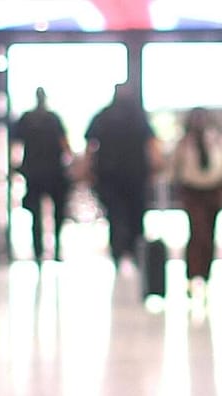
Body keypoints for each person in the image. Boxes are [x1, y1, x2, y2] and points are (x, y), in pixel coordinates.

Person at [170, 107, 222, 296]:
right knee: (197, 231)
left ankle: (206, 277)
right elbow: (174, 168)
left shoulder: (220, 140)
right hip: (192, 192)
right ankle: (193, 276)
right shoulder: (184, 143)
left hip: (215, 190)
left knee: (210, 234)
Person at [84, 83, 161, 267]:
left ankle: (119, 253)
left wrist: (88, 170)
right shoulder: (138, 117)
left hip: (109, 175)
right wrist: (156, 167)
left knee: (115, 215)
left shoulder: (103, 116)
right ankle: (134, 253)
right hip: (135, 175)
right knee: (135, 215)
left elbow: (90, 146)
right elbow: (151, 144)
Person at [11, 87, 72, 263]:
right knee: (57, 213)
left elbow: (15, 145)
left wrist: (15, 166)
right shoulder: (53, 119)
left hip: (34, 172)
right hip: (53, 172)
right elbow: (64, 145)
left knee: (36, 214)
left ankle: (39, 250)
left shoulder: (27, 119)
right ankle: (56, 248)